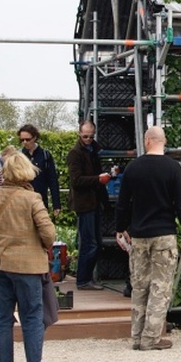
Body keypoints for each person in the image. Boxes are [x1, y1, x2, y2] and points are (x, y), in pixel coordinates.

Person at [0, 151, 56, 362]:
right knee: (32, 317)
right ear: (26, 173)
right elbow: (49, 234)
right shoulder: (32, 199)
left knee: (2, 317)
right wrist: (43, 246)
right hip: (27, 266)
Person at [114, 126, 181, 351]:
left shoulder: (133, 167)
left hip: (138, 235)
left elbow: (122, 203)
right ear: (163, 141)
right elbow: (180, 205)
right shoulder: (173, 168)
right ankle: (151, 338)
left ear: (147, 140)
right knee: (160, 287)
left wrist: (121, 228)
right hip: (164, 234)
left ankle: (137, 336)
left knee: (139, 286)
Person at [67, 120, 111, 290]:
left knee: (95, 242)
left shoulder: (93, 150)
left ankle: (85, 278)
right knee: (89, 242)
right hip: (84, 203)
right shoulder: (75, 153)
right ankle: (83, 279)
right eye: (85, 136)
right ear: (79, 133)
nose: (88, 139)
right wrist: (98, 179)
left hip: (93, 201)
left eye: (91, 136)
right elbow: (76, 180)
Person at [19, 123, 61, 216]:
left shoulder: (45, 155)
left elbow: (52, 180)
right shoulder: (19, 156)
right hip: (22, 202)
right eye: (22, 140)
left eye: (27, 139)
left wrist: (56, 204)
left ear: (34, 138)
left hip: (41, 201)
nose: (25, 142)